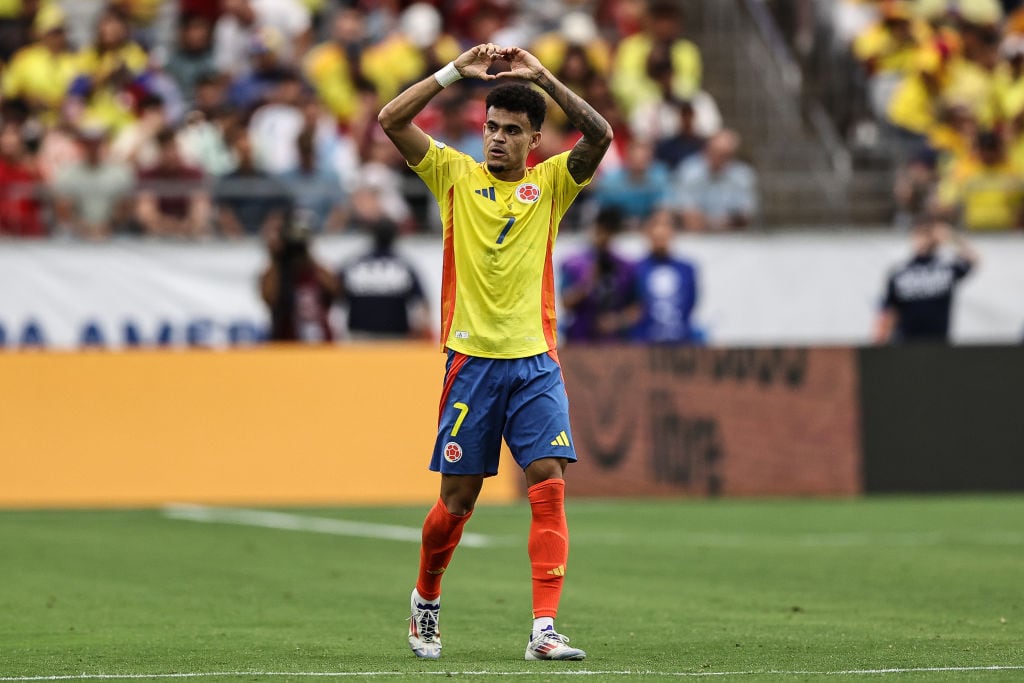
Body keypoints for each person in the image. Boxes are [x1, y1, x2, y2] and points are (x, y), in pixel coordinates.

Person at [377, 43, 613, 661]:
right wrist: (454, 72)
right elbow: (391, 120)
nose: (498, 139)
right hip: (471, 363)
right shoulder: (453, 175)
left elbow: (600, 133)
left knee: (548, 483)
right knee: (457, 504)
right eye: (491, 127)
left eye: (512, 130)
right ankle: (426, 599)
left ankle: (544, 630)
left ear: (535, 139)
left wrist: (545, 78)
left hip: (536, 361)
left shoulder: (552, 184)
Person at [874, 216, 979, 344]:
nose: (921, 239)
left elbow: (973, 259)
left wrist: (951, 237)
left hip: (938, 343)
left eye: (925, 233)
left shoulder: (947, 268)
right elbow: (888, 310)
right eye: (918, 233)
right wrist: (879, 341)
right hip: (906, 343)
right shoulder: (900, 272)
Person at [337, 219, 431, 340]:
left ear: (372, 235)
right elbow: (422, 303)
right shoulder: (403, 266)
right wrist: (420, 331)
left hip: (360, 338)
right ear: (395, 236)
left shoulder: (354, 265)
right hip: (396, 339)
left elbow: (336, 293)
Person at [559, 206, 639, 343]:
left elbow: (638, 307)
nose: (603, 236)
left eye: (608, 231)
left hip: (615, 341)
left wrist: (617, 321)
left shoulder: (626, 266)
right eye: (600, 230)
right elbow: (565, 302)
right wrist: (587, 281)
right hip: (580, 337)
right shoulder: (574, 264)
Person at [259, 212, 337, 342]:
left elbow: (335, 289)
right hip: (286, 344)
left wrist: (306, 249)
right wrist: (276, 256)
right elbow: (269, 297)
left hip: (320, 341)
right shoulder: (274, 272)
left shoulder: (313, 269)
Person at [631, 208, 700, 344]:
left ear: (672, 233)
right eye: (656, 225)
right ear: (647, 233)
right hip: (644, 341)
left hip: (681, 341)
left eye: (665, 226)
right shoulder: (637, 268)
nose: (660, 231)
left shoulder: (686, 269)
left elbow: (691, 302)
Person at [671, 128, 759, 232]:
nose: (719, 158)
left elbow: (745, 214)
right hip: (695, 236)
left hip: (732, 238)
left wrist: (716, 222)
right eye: (716, 152)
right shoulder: (688, 171)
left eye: (726, 155)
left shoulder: (743, 176)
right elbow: (684, 211)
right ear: (706, 150)